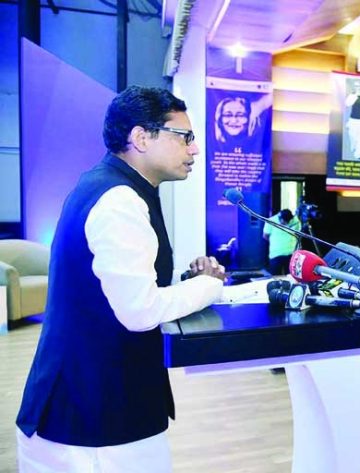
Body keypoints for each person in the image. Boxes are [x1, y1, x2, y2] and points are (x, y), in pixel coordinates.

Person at [16, 86, 226, 471]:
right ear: (141, 138)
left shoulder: (109, 185)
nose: (194, 150)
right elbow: (139, 310)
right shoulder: (120, 200)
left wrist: (184, 282)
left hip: (92, 411)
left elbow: (114, 284)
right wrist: (207, 286)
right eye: (185, 137)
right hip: (93, 424)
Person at [263, 208, 300, 275]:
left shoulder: (296, 221)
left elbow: (298, 235)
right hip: (276, 254)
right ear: (279, 217)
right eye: (284, 221)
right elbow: (265, 236)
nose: (285, 223)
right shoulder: (271, 221)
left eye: (287, 221)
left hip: (292, 254)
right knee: (276, 277)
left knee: (291, 277)